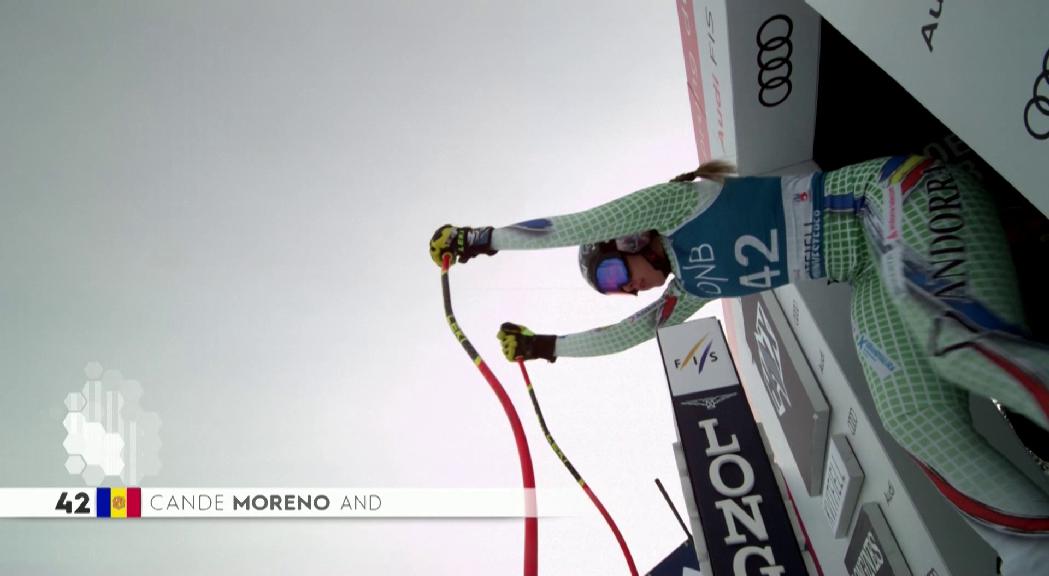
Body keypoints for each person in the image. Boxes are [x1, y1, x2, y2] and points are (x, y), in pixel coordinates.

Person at [429, 156, 1049, 572]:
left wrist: (483, 239)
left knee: (958, 345)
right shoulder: (691, 287)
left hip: (895, 196)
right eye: (614, 289)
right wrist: (547, 347)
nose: (627, 289)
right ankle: (1034, 548)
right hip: (868, 271)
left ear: (629, 241)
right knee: (913, 418)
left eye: (615, 274)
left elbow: (578, 224)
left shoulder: (679, 207)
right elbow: (629, 336)